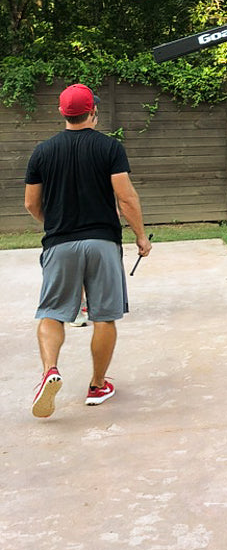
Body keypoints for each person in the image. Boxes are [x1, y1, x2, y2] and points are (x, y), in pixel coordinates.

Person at [24, 83, 152, 418]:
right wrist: (141, 236)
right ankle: (97, 385)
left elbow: (31, 204)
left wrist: (55, 224)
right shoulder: (109, 148)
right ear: (93, 111)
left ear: (61, 112)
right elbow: (126, 198)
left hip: (59, 243)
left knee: (51, 313)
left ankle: (50, 370)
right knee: (103, 316)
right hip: (102, 243)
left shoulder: (42, 152)